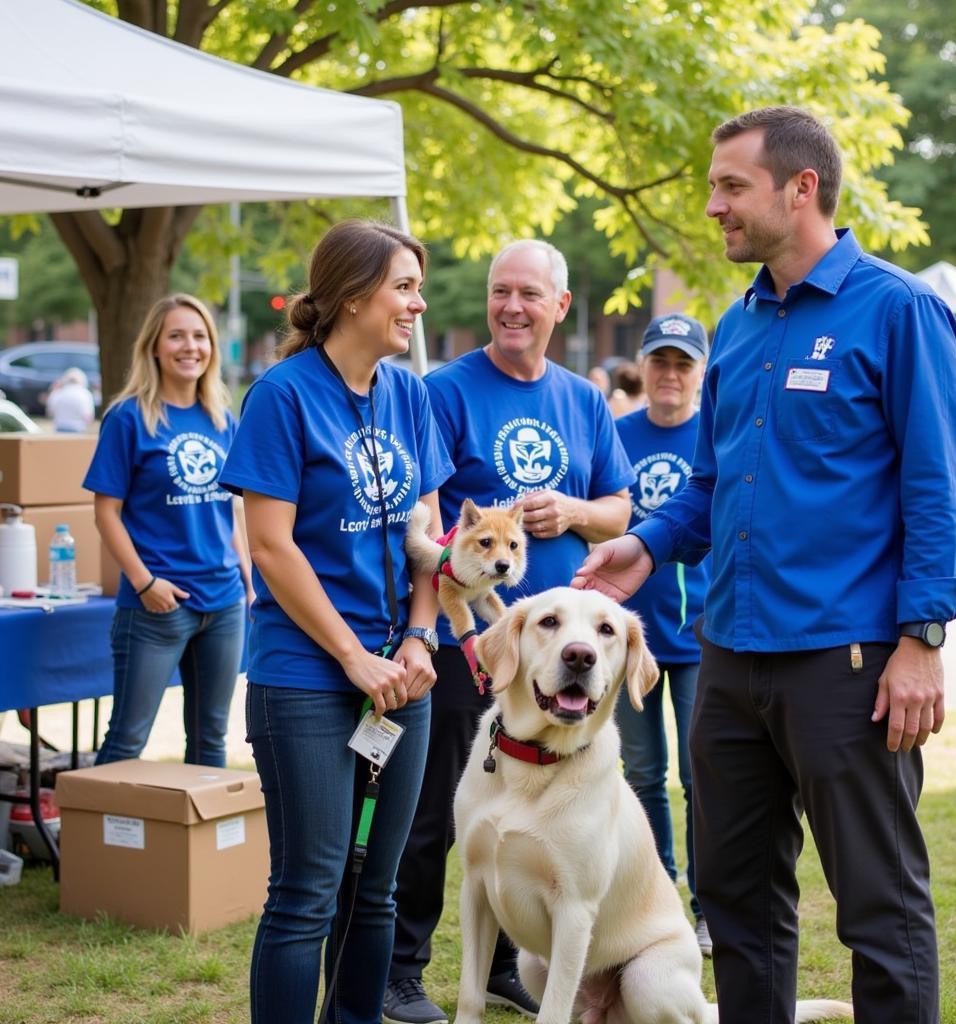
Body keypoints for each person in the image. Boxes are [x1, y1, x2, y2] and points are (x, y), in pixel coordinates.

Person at [573, 107, 956, 1024]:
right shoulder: (739, 327)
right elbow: (712, 483)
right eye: (714, 186)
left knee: (879, 905)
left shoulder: (898, 309)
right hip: (730, 658)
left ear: (802, 190)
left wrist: (921, 638)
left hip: (849, 661)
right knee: (737, 903)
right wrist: (648, 542)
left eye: (730, 186)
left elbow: (938, 491)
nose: (713, 205)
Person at [382, 239, 635, 1024]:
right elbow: (423, 520)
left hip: (564, 653)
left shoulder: (584, 399)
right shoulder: (445, 391)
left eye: (529, 293)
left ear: (561, 305)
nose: (512, 307)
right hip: (478, 642)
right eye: (500, 292)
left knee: (547, 822)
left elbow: (621, 509)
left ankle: (496, 969)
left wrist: (574, 513)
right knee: (440, 813)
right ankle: (401, 968)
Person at [218, 220, 454, 1024]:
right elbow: (272, 548)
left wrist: (420, 636)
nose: (418, 304)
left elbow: (431, 538)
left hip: (404, 673)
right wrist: (357, 657)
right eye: (404, 287)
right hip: (309, 676)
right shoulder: (282, 395)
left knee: (377, 889)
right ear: (353, 296)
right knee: (308, 892)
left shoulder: (411, 395)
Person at [84, 294, 251, 767]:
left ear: (212, 347)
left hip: (223, 605)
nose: (189, 346)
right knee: (127, 741)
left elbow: (232, 510)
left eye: (199, 336)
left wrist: (247, 580)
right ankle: (104, 841)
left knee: (210, 741)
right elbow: (105, 513)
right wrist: (145, 583)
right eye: (176, 335)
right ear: (154, 346)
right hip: (156, 607)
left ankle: (195, 844)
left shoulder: (222, 418)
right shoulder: (128, 417)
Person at [612, 312, 711, 956]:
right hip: (629, 641)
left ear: (701, 372)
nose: (670, 374)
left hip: (704, 636)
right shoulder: (617, 437)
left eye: (683, 363)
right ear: (643, 367)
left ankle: (708, 906)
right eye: (660, 361)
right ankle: (658, 895)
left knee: (705, 773)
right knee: (644, 774)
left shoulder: (718, 434)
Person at [46, 366, 95, 432]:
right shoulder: (85, 394)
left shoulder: (58, 393)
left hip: (59, 428)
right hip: (78, 429)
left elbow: (50, 413)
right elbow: (88, 417)